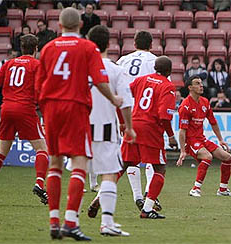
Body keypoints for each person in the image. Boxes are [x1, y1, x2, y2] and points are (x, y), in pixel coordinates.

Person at [35, 8, 122, 241]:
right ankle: (71, 222)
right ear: (81, 25)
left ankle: (54, 221)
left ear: (60, 25)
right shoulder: (88, 48)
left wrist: (44, 109)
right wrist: (113, 99)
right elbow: (100, 79)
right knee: (79, 162)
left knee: (55, 163)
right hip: (74, 106)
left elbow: (39, 84)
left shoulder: (48, 49)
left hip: (51, 108)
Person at [0, 34, 49, 206]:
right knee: (42, 149)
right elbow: (42, 89)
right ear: (35, 49)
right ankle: (40, 184)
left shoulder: (9, 63)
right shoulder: (36, 65)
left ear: (21, 48)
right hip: (25, 109)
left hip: (6, 109)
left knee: (2, 150)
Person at [86, 25, 135, 236]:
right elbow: (125, 102)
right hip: (106, 128)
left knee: (78, 172)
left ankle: (68, 221)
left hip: (81, 128)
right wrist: (130, 128)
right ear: (109, 44)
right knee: (109, 174)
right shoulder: (115, 70)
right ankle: (107, 223)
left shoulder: (81, 68)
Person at [121, 56, 178, 219]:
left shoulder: (141, 80)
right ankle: (147, 209)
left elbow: (125, 93)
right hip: (150, 129)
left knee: (124, 164)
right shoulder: (168, 86)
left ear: (154, 67)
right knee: (159, 168)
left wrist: (122, 121)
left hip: (133, 124)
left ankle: (100, 196)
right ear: (169, 71)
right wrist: (171, 136)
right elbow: (164, 116)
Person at [116, 30, 161, 211]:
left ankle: (137, 196)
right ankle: (150, 195)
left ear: (134, 44)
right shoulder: (156, 62)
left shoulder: (123, 60)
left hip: (126, 112)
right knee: (152, 156)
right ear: (151, 45)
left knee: (129, 157)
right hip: (147, 113)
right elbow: (162, 86)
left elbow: (116, 85)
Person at [177, 75, 231, 197]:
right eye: (197, 83)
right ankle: (195, 189)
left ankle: (223, 190)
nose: (201, 85)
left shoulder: (205, 102)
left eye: (201, 83)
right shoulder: (185, 106)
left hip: (201, 139)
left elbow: (213, 122)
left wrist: (220, 140)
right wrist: (183, 151)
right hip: (191, 141)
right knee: (207, 156)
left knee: (227, 157)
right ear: (190, 87)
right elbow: (182, 131)